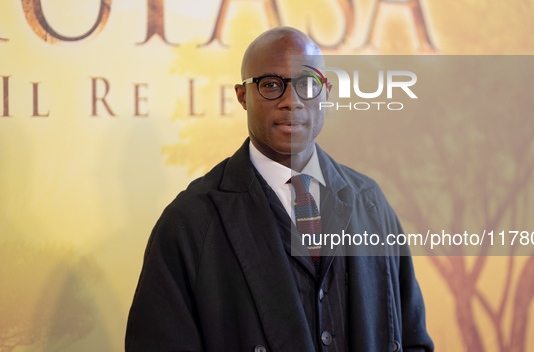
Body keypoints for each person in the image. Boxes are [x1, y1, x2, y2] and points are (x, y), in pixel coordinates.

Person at [126, 27, 434, 351]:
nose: (292, 101)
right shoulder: (189, 223)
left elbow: (413, 340)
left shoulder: (370, 203)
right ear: (242, 96)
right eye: (271, 85)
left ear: (326, 91)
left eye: (307, 84)